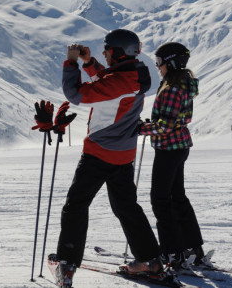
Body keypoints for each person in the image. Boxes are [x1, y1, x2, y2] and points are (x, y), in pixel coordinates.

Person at [51, 29, 165, 286]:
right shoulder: (135, 72)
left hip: (99, 153)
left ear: (118, 52)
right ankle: (151, 261)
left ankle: (67, 265)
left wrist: (71, 63)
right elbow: (108, 80)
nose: (104, 52)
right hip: (123, 153)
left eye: (107, 50)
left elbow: (76, 94)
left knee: (76, 206)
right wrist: (89, 63)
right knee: (126, 207)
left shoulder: (120, 81)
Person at [137, 42, 207, 269]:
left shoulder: (171, 89)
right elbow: (172, 120)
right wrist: (153, 125)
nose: (158, 67)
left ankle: (172, 252)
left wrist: (141, 128)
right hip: (180, 146)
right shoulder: (184, 84)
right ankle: (192, 248)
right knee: (177, 197)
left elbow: (165, 125)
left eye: (160, 63)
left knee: (160, 199)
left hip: (168, 149)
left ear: (173, 63)